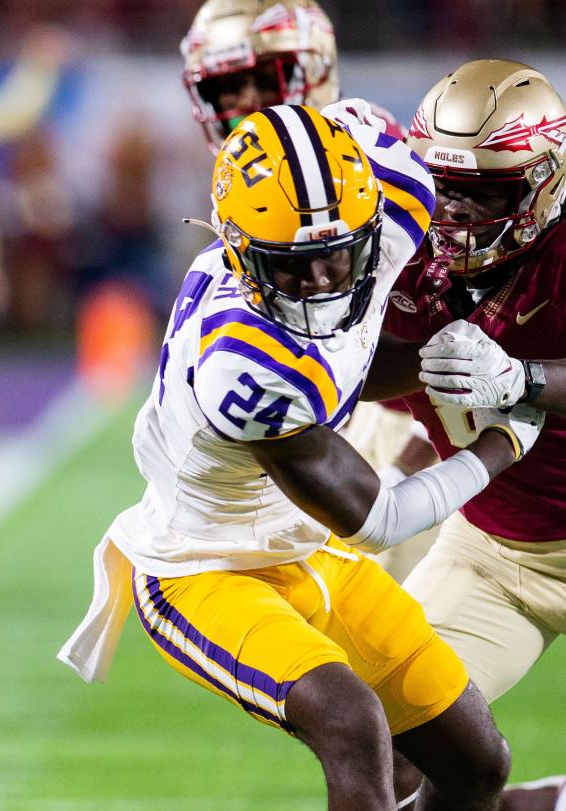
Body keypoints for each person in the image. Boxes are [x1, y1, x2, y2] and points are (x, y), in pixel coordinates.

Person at [59, 101, 535, 811]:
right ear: (240, 252)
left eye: (337, 256)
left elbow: (346, 363)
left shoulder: (395, 197)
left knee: (477, 761)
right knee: (349, 722)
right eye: (294, 268)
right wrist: (501, 444)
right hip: (203, 568)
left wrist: (438, 360)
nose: (321, 284)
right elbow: (377, 519)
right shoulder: (243, 366)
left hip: (301, 547)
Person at [180, 0, 435, 582]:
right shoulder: (257, 174)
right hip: (309, 415)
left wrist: (422, 439)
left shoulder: (367, 160)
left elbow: (447, 312)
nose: (239, 102)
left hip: (388, 419)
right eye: (223, 86)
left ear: (309, 70)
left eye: (258, 80)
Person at [374, 58, 566, 811]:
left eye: (484, 192)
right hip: (495, 553)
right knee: (386, 743)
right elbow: (359, 374)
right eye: (444, 184)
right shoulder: (399, 247)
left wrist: (520, 378)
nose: (454, 211)